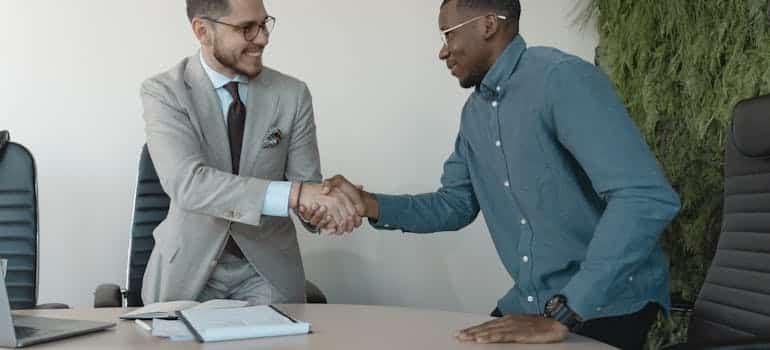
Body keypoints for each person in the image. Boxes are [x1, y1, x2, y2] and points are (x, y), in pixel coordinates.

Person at [306, 0, 680, 348]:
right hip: (536, 301)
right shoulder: (475, 114)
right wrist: (369, 204)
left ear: (488, 24)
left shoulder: (561, 79)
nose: (442, 50)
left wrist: (568, 311)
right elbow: (454, 204)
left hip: (606, 301)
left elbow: (644, 197)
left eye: (448, 34)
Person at [140, 0, 360, 306]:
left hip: (267, 271)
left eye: (264, 23)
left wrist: (323, 210)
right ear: (203, 31)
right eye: (247, 28)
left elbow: (306, 183)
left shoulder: (292, 94)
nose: (263, 38)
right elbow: (188, 185)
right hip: (187, 270)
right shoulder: (164, 92)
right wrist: (298, 195)